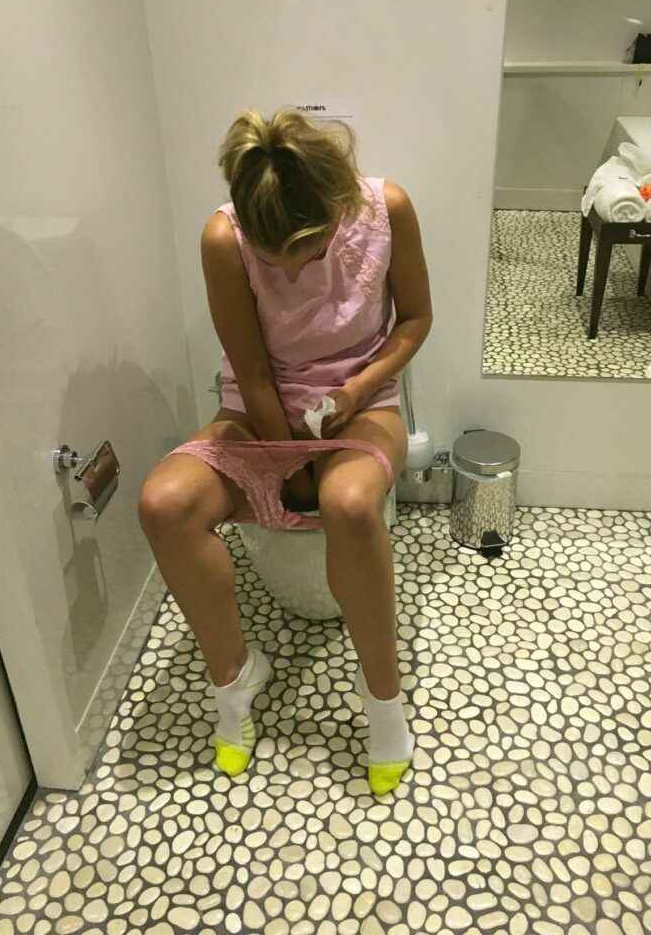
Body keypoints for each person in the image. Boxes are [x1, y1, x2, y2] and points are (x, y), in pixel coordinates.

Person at [138, 107, 432, 795]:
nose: (292, 269)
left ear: (334, 203)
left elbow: (416, 319)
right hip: (257, 407)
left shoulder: (387, 208)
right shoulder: (223, 238)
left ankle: (383, 699)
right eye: (275, 259)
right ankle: (235, 676)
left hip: (362, 401)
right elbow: (252, 370)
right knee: (163, 505)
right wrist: (288, 463)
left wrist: (358, 388)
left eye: (308, 251)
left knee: (349, 504)